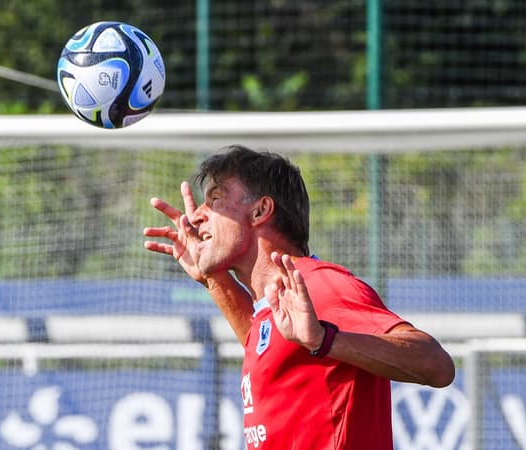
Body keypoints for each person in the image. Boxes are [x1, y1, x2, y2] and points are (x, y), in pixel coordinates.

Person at [143, 145, 455, 449]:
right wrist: (213, 278)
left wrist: (325, 339)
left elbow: (438, 365)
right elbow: (271, 349)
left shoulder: (320, 285)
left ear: (260, 211)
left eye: (215, 200)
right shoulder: (275, 305)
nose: (197, 216)